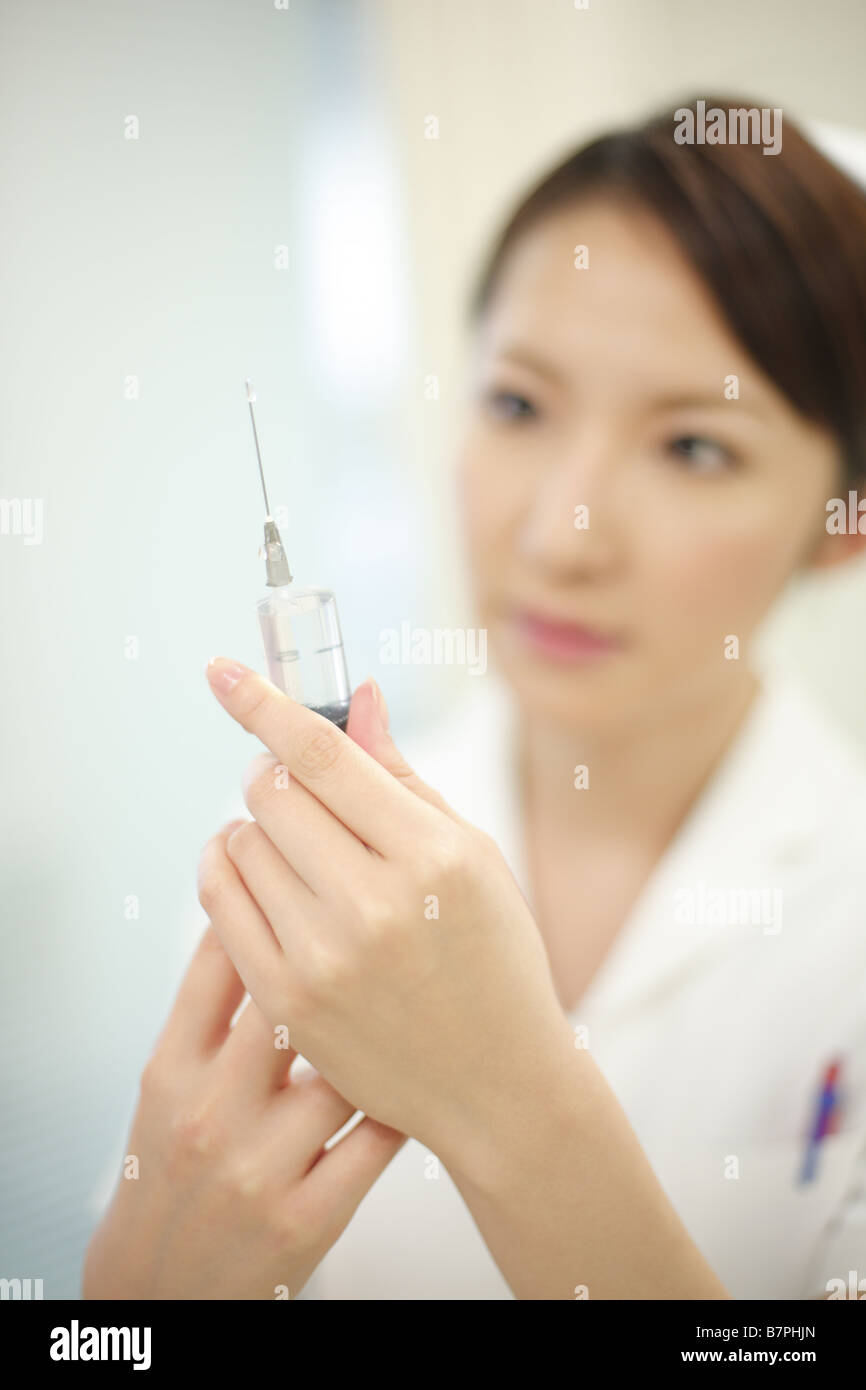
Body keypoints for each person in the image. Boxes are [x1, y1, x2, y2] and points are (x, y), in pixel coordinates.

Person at [83, 96, 866, 1300]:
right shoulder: (308, 870)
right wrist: (140, 1290)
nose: (561, 533)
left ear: (841, 522)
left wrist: (510, 1107)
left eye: (692, 447)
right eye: (516, 405)